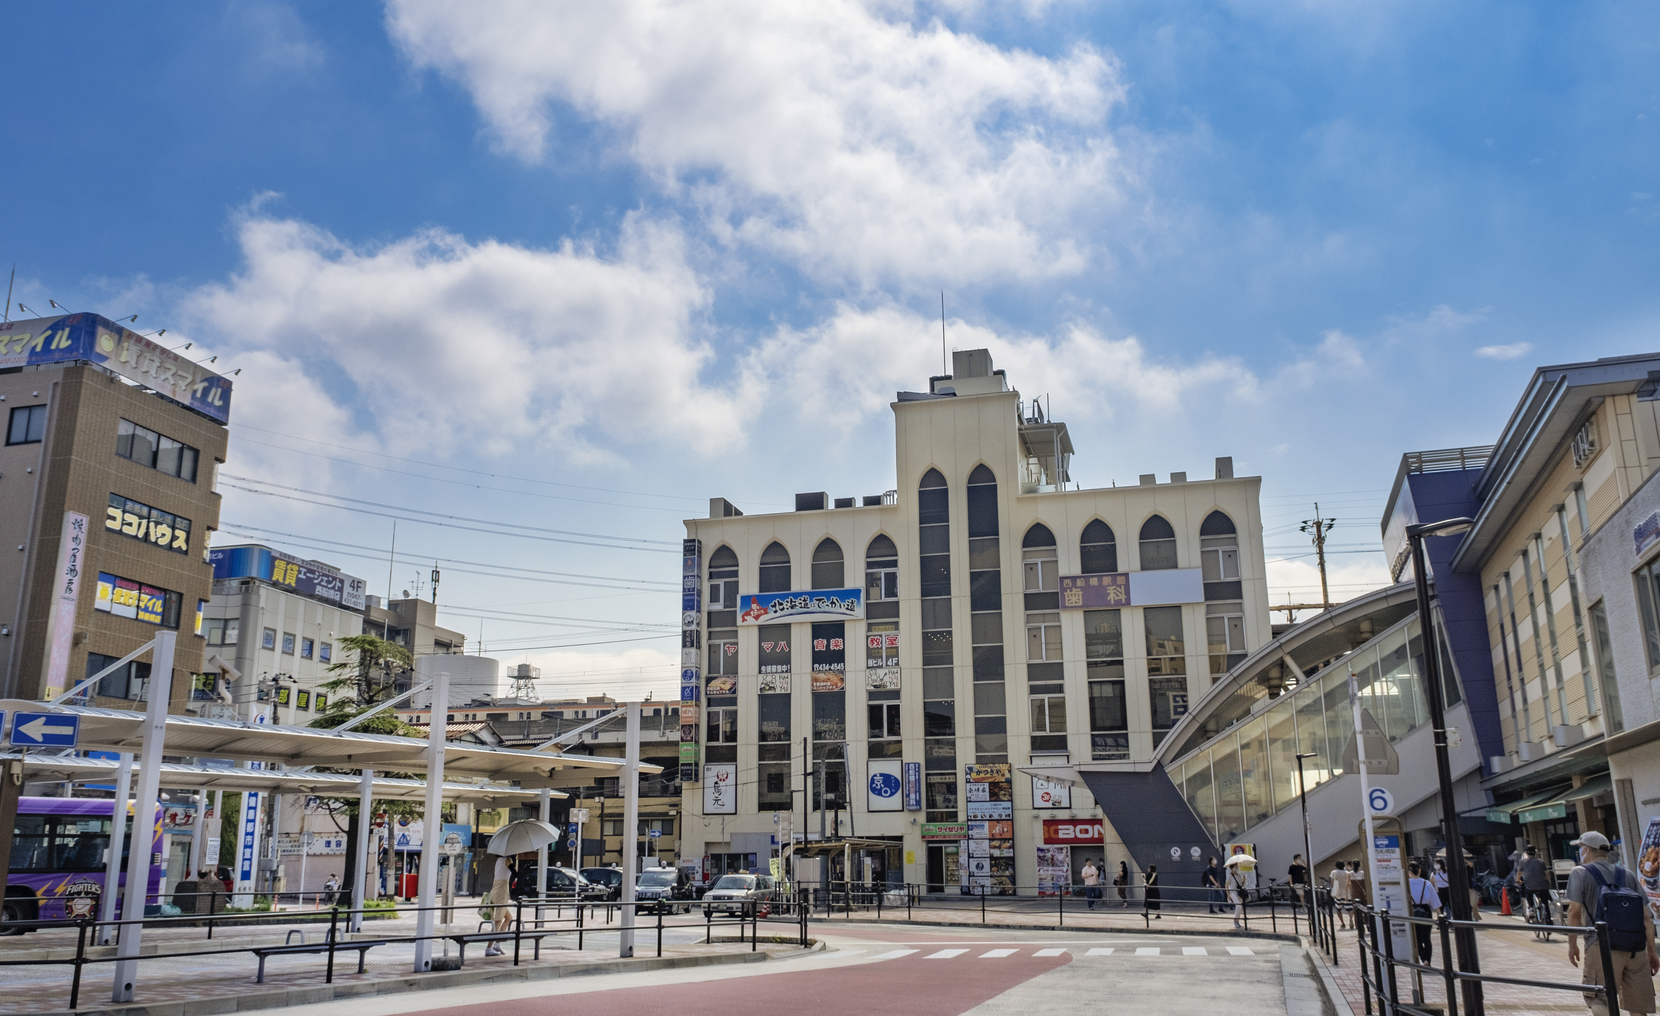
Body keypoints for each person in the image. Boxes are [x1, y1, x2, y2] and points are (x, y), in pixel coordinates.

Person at [1565, 831, 1659, 1016]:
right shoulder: (1628, 874)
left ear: (1587, 850)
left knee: (1598, 998)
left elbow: (1574, 912)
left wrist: (1572, 944)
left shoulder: (1580, 872)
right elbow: (1645, 918)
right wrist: (1651, 953)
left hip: (1601, 946)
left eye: (1580, 848)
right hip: (1635, 948)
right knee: (1638, 1006)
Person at [1407, 861, 1440, 963]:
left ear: (1409, 872)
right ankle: (1428, 961)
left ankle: (1424, 959)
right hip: (1426, 911)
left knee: (1417, 938)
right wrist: (1440, 915)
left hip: (1413, 911)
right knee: (1427, 938)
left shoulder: (1406, 884)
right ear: (1419, 871)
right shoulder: (1427, 883)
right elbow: (1435, 901)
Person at [485, 853, 515, 955]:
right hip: (501, 892)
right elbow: (514, 873)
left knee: (508, 917)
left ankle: (497, 944)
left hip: (495, 890)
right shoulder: (508, 860)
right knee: (498, 920)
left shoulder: (498, 861)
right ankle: (489, 948)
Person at [1520, 846, 1554, 930]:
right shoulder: (1541, 861)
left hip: (1530, 885)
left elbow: (1518, 873)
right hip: (1543, 885)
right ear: (1535, 852)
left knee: (1528, 893)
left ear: (1526, 853)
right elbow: (1547, 873)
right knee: (1545, 902)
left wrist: (1518, 881)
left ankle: (1531, 908)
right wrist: (1549, 881)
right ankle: (1548, 919)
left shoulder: (1522, 861)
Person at [1329, 858, 1352, 929]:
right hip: (1347, 893)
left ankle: (1343, 923)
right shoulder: (1347, 873)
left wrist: (1333, 888)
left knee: (1338, 909)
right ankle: (1351, 919)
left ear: (1336, 866)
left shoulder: (1334, 872)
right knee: (1349, 908)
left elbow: (1332, 882)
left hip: (1338, 893)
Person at [1227, 860, 1249, 929]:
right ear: (1231, 868)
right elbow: (1226, 885)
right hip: (1233, 892)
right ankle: (1235, 921)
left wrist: (1244, 880)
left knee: (1240, 907)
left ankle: (1237, 921)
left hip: (1239, 893)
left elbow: (1241, 885)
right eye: (1235, 867)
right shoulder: (1230, 876)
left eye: (1237, 866)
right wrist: (1228, 895)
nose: (1237, 868)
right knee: (1239, 906)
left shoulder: (1238, 875)